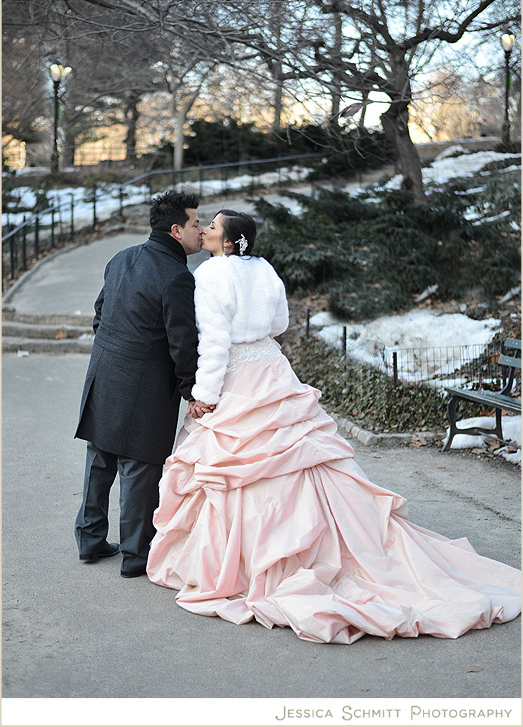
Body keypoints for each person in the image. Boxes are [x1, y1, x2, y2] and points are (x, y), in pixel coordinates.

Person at [146, 209, 521, 643]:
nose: (206, 231)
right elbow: (281, 325)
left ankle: (260, 559)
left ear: (228, 243)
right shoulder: (265, 269)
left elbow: (214, 344)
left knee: (241, 464)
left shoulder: (211, 275)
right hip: (271, 367)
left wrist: (205, 396)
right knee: (298, 453)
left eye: (213, 227)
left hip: (238, 377)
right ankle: (327, 544)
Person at [75, 190, 213, 578]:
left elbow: (100, 314)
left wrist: (111, 353)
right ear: (175, 230)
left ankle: (89, 541)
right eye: (195, 224)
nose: (200, 231)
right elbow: (183, 343)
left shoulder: (122, 258)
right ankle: (136, 556)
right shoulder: (176, 277)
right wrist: (192, 390)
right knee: (139, 468)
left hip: (104, 373)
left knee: (100, 459)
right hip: (146, 386)